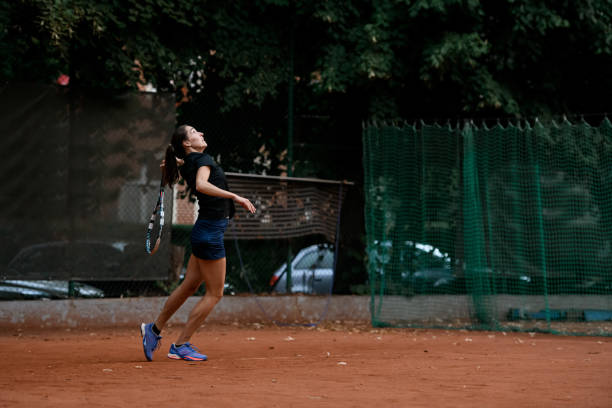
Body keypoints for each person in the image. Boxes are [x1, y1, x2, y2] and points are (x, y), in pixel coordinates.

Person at [140, 124, 256, 362]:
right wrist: (235, 196)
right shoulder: (201, 160)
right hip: (210, 234)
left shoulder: (191, 162)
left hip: (203, 231)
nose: (201, 133)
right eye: (194, 132)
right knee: (215, 294)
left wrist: (177, 163)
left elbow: (188, 166)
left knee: (189, 287)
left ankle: (153, 330)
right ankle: (180, 345)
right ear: (186, 143)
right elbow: (202, 185)